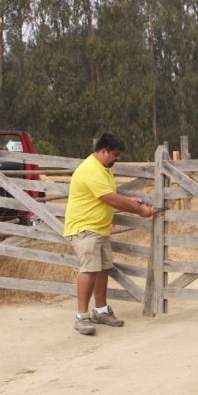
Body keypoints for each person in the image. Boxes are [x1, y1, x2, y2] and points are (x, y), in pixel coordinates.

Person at [63, 132, 155, 335]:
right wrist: (140, 210)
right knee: (88, 270)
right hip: (85, 228)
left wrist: (130, 200)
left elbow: (110, 194)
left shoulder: (102, 169)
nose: (116, 158)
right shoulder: (90, 170)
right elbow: (110, 199)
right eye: (114, 154)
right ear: (103, 151)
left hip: (99, 229)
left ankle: (101, 310)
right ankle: (82, 316)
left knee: (103, 268)